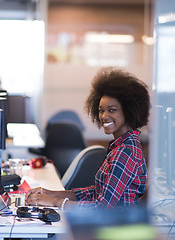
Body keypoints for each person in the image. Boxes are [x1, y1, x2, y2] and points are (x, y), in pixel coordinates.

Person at [25, 67, 150, 209]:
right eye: (101, 110)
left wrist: (54, 202)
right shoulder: (121, 146)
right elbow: (96, 193)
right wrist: (50, 194)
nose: (104, 116)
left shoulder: (125, 152)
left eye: (112, 110)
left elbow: (101, 208)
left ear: (129, 111)